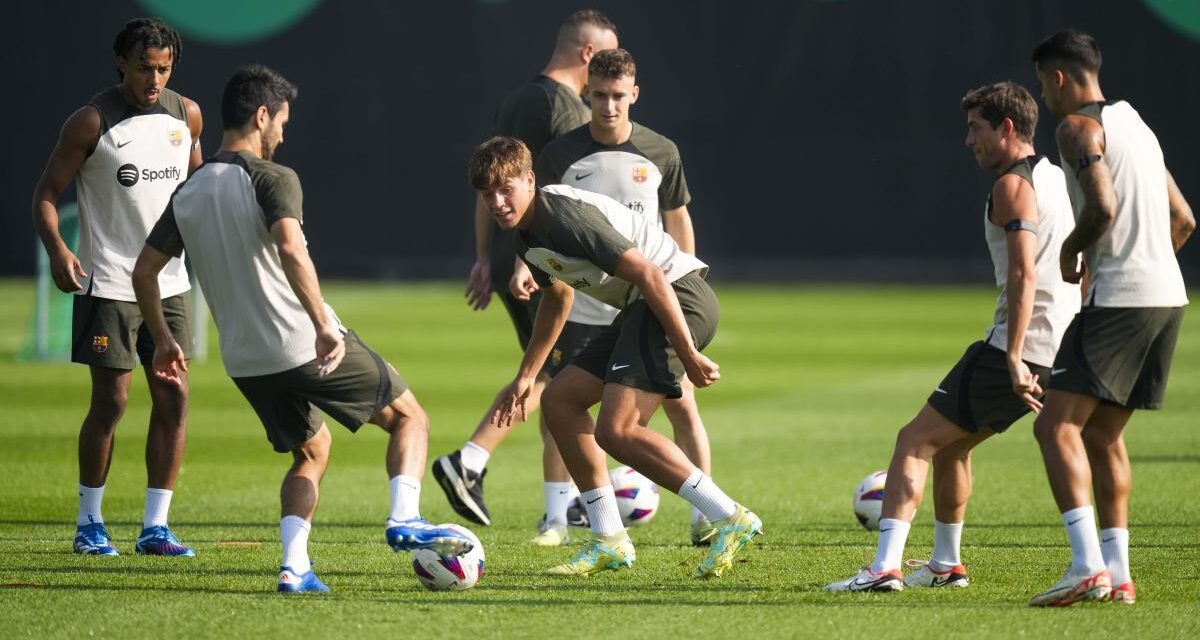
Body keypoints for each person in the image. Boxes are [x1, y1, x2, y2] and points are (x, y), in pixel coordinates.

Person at [131, 65, 472, 593]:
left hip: (245, 362)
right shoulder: (272, 177)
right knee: (410, 417)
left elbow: (144, 272)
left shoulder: (189, 190)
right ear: (261, 115)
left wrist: (164, 339)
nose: (284, 134)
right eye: (282, 121)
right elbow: (290, 247)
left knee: (312, 451)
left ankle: (295, 567)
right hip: (300, 343)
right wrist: (323, 326)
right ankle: (404, 518)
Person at [824, 81, 1080, 592]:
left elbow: (1024, 274)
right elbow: (1082, 260)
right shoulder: (1056, 177)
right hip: (1062, 345)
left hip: (1021, 347)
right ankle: (945, 565)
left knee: (913, 441)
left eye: (975, 128)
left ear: (1008, 128)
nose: (968, 141)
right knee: (951, 449)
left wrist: (1010, 356)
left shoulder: (1012, 186)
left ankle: (884, 569)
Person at [467, 137, 761, 579]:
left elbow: (648, 273)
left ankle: (729, 516)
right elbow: (556, 298)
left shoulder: (562, 216)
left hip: (678, 296)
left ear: (531, 181)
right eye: (488, 194)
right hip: (644, 307)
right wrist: (526, 376)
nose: (497, 201)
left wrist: (688, 353)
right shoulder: (527, 237)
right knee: (559, 401)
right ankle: (609, 540)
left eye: (506, 188)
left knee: (618, 430)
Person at [1027, 30, 1193, 607]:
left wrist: (1074, 250)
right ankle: (1118, 576)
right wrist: (1145, 266)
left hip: (1122, 299)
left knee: (1054, 426)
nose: (1044, 98)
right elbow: (1184, 221)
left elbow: (1101, 207)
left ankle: (1085, 567)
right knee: (1101, 434)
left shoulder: (1075, 128)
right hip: (1167, 298)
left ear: (1059, 79)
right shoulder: (1137, 126)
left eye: (1043, 84)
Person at [436, 9, 619, 529]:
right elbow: (554, 200)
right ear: (588, 55)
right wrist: (522, 261)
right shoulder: (560, 110)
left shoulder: (517, 98)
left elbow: (486, 183)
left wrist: (482, 256)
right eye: (602, 59)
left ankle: (557, 510)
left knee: (556, 374)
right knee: (561, 379)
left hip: (515, 252)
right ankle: (469, 460)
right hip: (539, 258)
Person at [529, 48, 715, 546]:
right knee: (562, 400)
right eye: (598, 96)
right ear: (585, 94)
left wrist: (688, 294)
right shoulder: (559, 155)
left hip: (653, 295)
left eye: (617, 96)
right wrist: (536, 271)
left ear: (634, 95)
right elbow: (544, 223)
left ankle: (711, 516)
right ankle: (562, 521)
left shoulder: (660, 151)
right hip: (592, 300)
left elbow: (676, 220)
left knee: (669, 410)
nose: (608, 106)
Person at [31, 17, 203, 557]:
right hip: (107, 283)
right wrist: (59, 249)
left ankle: (156, 527)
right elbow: (44, 196)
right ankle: (90, 522)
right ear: (120, 63)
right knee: (111, 401)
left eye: (164, 68)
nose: (154, 79)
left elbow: (198, 194)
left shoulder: (186, 115)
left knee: (173, 396)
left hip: (170, 286)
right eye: (144, 67)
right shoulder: (91, 121)